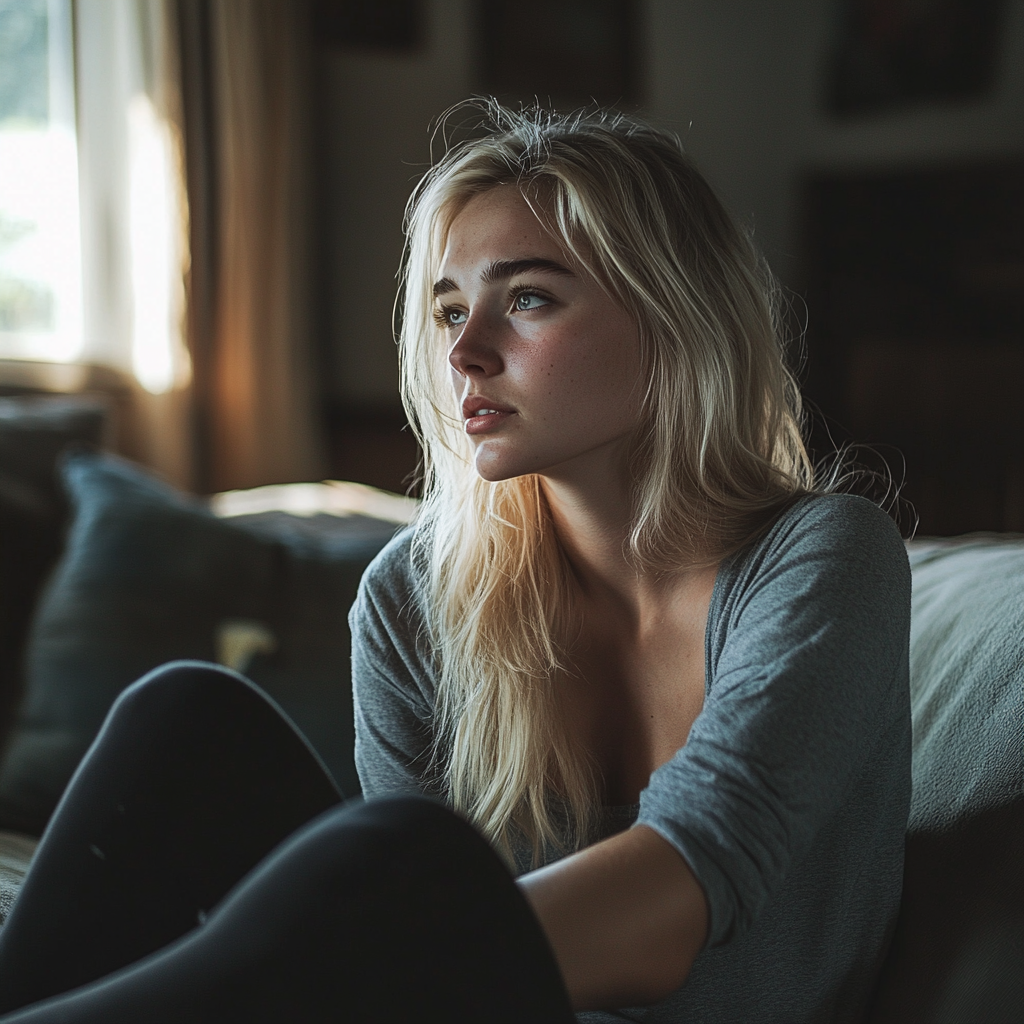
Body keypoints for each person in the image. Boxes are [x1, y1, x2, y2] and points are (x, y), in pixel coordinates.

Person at [0, 101, 911, 1023]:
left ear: (674, 314)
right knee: (186, 718)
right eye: (447, 310)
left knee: (398, 850)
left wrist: (334, 962)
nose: (465, 351)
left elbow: (676, 902)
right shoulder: (412, 601)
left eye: (527, 299)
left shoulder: (824, 558)